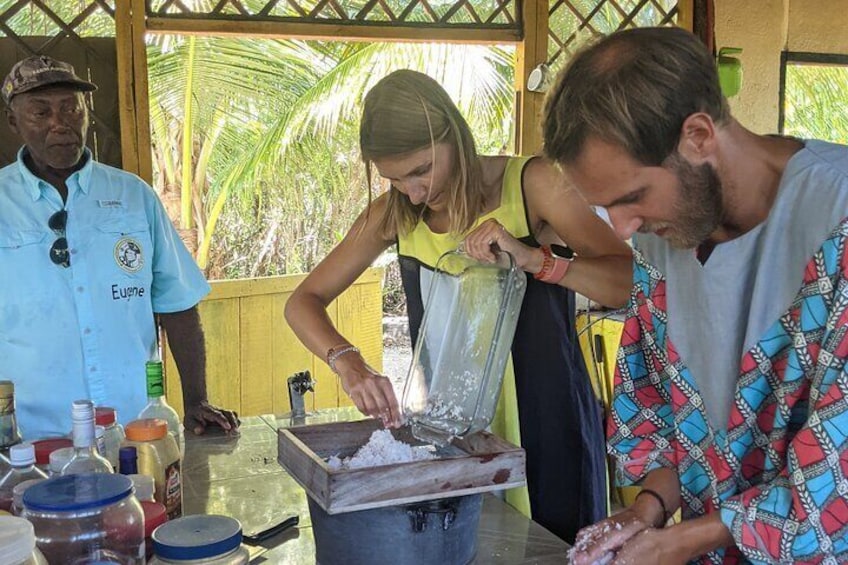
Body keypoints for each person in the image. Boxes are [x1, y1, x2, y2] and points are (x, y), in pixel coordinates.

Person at [285, 69, 632, 542]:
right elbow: (303, 302)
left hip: (550, 427)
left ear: (455, 135)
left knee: (556, 549)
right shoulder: (396, 214)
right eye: (395, 178)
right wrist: (350, 365)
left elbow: (628, 281)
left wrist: (534, 259)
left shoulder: (532, 185)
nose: (414, 192)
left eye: (422, 170)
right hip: (455, 438)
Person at [543, 26, 848, 564]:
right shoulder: (661, 241)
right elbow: (657, 406)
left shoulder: (835, 221)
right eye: (607, 207)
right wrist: (648, 511)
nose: (620, 228)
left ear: (700, 136)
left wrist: (684, 539)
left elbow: (834, 481)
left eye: (633, 197)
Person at [0, 55, 239, 439]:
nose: (59, 124)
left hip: (136, 428)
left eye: (70, 109)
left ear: (86, 113)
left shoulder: (133, 195)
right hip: (31, 438)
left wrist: (196, 399)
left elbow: (176, 303)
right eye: (40, 112)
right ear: (14, 122)